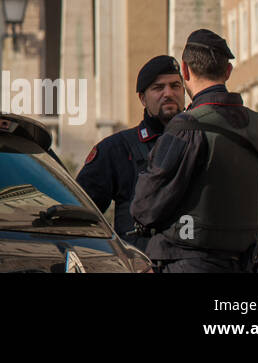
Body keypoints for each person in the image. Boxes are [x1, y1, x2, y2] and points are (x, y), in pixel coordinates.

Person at [131, 28, 258, 273]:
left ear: (185, 71)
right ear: (228, 72)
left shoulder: (185, 128)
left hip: (187, 262)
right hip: (244, 263)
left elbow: (146, 207)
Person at [76, 54, 184, 252]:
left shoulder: (199, 142)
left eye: (175, 86)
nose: (168, 93)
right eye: (158, 88)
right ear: (142, 98)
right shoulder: (116, 149)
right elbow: (80, 216)